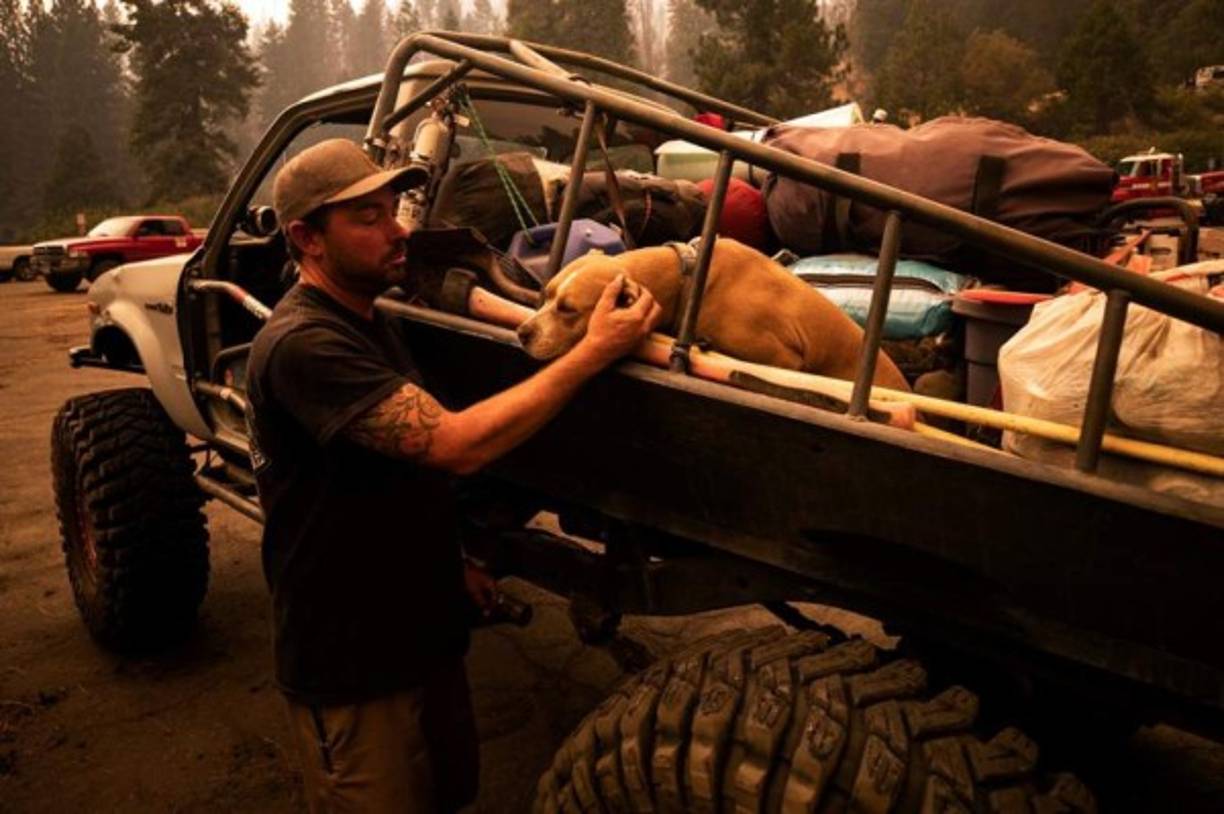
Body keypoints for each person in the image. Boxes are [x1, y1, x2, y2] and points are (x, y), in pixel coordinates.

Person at [245, 138, 661, 813]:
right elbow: (454, 444)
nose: (398, 229)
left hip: (423, 633)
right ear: (306, 238)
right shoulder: (304, 345)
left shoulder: (367, 319)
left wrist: (456, 559)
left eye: (392, 209)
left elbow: (398, 476)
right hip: (353, 665)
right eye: (368, 218)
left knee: (450, 794)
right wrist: (590, 353)